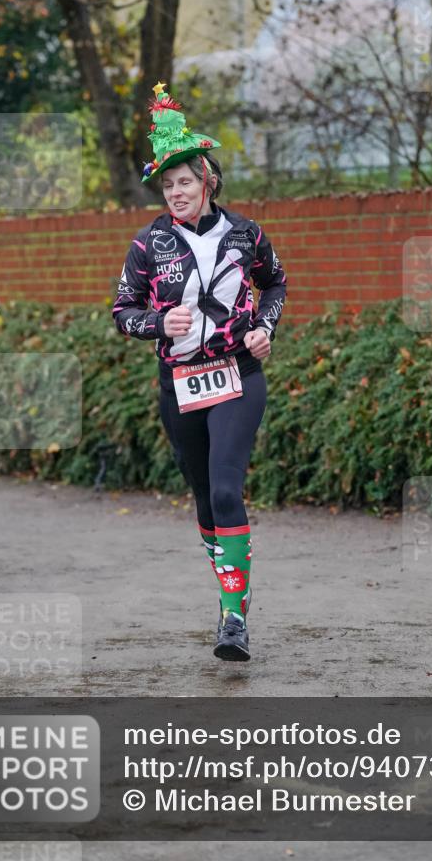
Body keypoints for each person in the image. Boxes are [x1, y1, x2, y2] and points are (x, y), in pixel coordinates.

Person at [113, 84, 287, 662]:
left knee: (224, 488)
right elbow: (122, 313)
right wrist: (159, 323)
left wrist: (265, 326)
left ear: (207, 180)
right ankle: (229, 583)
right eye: (166, 185)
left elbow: (277, 284)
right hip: (180, 383)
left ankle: (233, 618)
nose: (175, 192)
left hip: (237, 374)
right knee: (204, 501)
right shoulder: (148, 244)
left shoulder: (246, 234)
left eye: (184, 181)